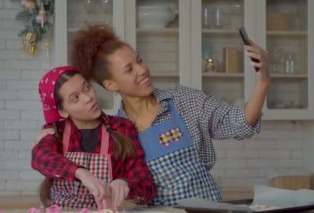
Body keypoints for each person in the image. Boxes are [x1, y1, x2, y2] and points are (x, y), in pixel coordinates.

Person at [39, 24, 270, 205]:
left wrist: (263, 82)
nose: (142, 70)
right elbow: (136, 188)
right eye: (129, 69)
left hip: (206, 208)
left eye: (139, 60)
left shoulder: (182, 101)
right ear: (110, 85)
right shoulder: (118, 132)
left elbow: (238, 123)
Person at [32, 66, 156, 210]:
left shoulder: (122, 128)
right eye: (75, 98)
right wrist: (81, 173)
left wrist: (125, 184)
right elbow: (39, 157)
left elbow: (147, 189)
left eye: (87, 88)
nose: (88, 97)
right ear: (63, 111)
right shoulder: (55, 132)